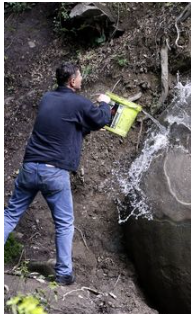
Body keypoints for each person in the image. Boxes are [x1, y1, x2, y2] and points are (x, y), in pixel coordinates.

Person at [4, 62, 112, 285]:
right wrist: (104, 104)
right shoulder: (79, 103)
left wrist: (86, 127)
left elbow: (66, 127)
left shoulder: (47, 99)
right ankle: (63, 273)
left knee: (10, 215)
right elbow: (102, 118)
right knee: (64, 223)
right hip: (53, 173)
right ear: (72, 80)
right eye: (80, 76)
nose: (82, 79)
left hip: (29, 167)